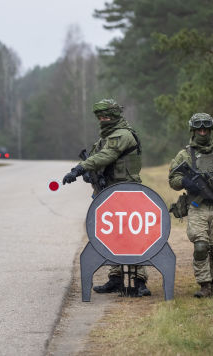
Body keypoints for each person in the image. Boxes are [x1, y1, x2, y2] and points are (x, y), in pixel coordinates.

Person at [62, 98, 150, 297]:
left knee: (132, 235)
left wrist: (80, 168)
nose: (103, 119)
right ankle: (117, 277)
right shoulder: (105, 137)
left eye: (106, 116)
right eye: (100, 117)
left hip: (127, 192)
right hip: (110, 194)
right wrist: (88, 174)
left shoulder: (123, 135)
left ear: (116, 115)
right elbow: (97, 158)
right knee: (113, 236)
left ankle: (139, 280)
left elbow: (106, 156)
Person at [168, 113, 213, 298]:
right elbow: (173, 179)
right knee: (200, 246)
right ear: (193, 130)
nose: (202, 132)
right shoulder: (184, 155)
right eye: (199, 129)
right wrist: (185, 181)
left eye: (205, 129)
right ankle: (204, 284)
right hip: (196, 207)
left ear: (210, 130)